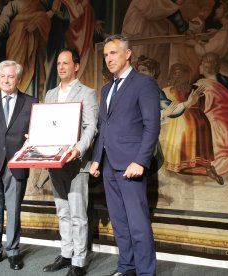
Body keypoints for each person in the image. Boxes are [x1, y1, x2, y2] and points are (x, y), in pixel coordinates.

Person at [89, 35, 161, 276]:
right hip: (109, 165)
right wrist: (97, 158)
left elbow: (152, 126)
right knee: (119, 222)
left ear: (127, 54)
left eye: (113, 53)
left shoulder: (144, 83)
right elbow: (104, 127)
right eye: (106, 55)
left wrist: (141, 161)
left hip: (132, 164)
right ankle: (126, 267)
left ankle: (145, 272)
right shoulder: (107, 88)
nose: (109, 59)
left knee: (138, 224)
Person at [0, 60, 38, 271]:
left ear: (18, 79)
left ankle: (13, 252)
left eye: (11, 76)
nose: (6, 80)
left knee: (13, 210)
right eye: (3, 76)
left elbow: (35, 132)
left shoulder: (31, 102)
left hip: (17, 163)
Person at [43, 49, 98, 276]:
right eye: (58, 63)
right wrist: (35, 140)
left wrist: (78, 149)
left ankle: (79, 262)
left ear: (76, 66)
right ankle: (66, 254)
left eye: (66, 63)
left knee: (78, 214)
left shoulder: (87, 93)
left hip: (77, 163)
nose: (62, 67)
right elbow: (46, 126)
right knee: (62, 211)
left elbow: (91, 127)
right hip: (55, 163)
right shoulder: (50, 94)